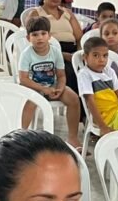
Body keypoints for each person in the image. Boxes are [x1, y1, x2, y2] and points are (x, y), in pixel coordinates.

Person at [18, 16, 82, 149]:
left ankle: (73, 137)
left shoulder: (56, 52)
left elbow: (61, 75)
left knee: (74, 99)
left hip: (52, 86)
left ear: (49, 35)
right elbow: (23, 79)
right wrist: (42, 89)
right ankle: (21, 135)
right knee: (30, 103)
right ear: (28, 38)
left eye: (43, 33)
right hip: (33, 87)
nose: (40, 38)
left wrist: (60, 88)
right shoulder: (26, 54)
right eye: (35, 35)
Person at [34, 0, 83, 90]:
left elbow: (80, 37)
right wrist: (62, 55)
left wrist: (79, 53)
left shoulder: (67, 12)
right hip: (51, 53)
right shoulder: (36, 13)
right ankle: (73, 100)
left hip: (73, 52)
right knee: (70, 70)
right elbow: (36, 41)